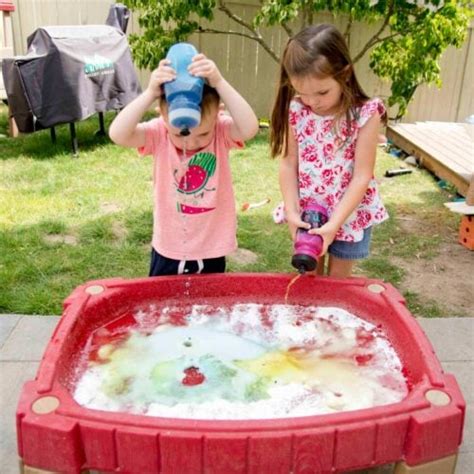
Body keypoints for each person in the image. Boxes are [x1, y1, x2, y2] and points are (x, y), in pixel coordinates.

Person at [109, 50, 259, 276]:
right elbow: (118, 134)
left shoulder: (221, 132)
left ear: (218, 114)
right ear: (162, 114)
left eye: (203, 134)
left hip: (212, 246)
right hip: (170, 248)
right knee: (164, 305)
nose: (191, 141)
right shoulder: (158, 133)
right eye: (180, 135)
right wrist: (150, 93)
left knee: (207, 306)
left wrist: (219, 82)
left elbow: (249, 128)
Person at [270, 24, 388, 278]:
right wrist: (292, 212)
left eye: (322, 92)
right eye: (302, 92)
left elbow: (362, 176)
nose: (312, 101)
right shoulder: (298, 110)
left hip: (348, 213)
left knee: (337, 285)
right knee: (308, 277)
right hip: (310, 211)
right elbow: (289, 163)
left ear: (344, 74)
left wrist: (334, 225)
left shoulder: (365, 114)